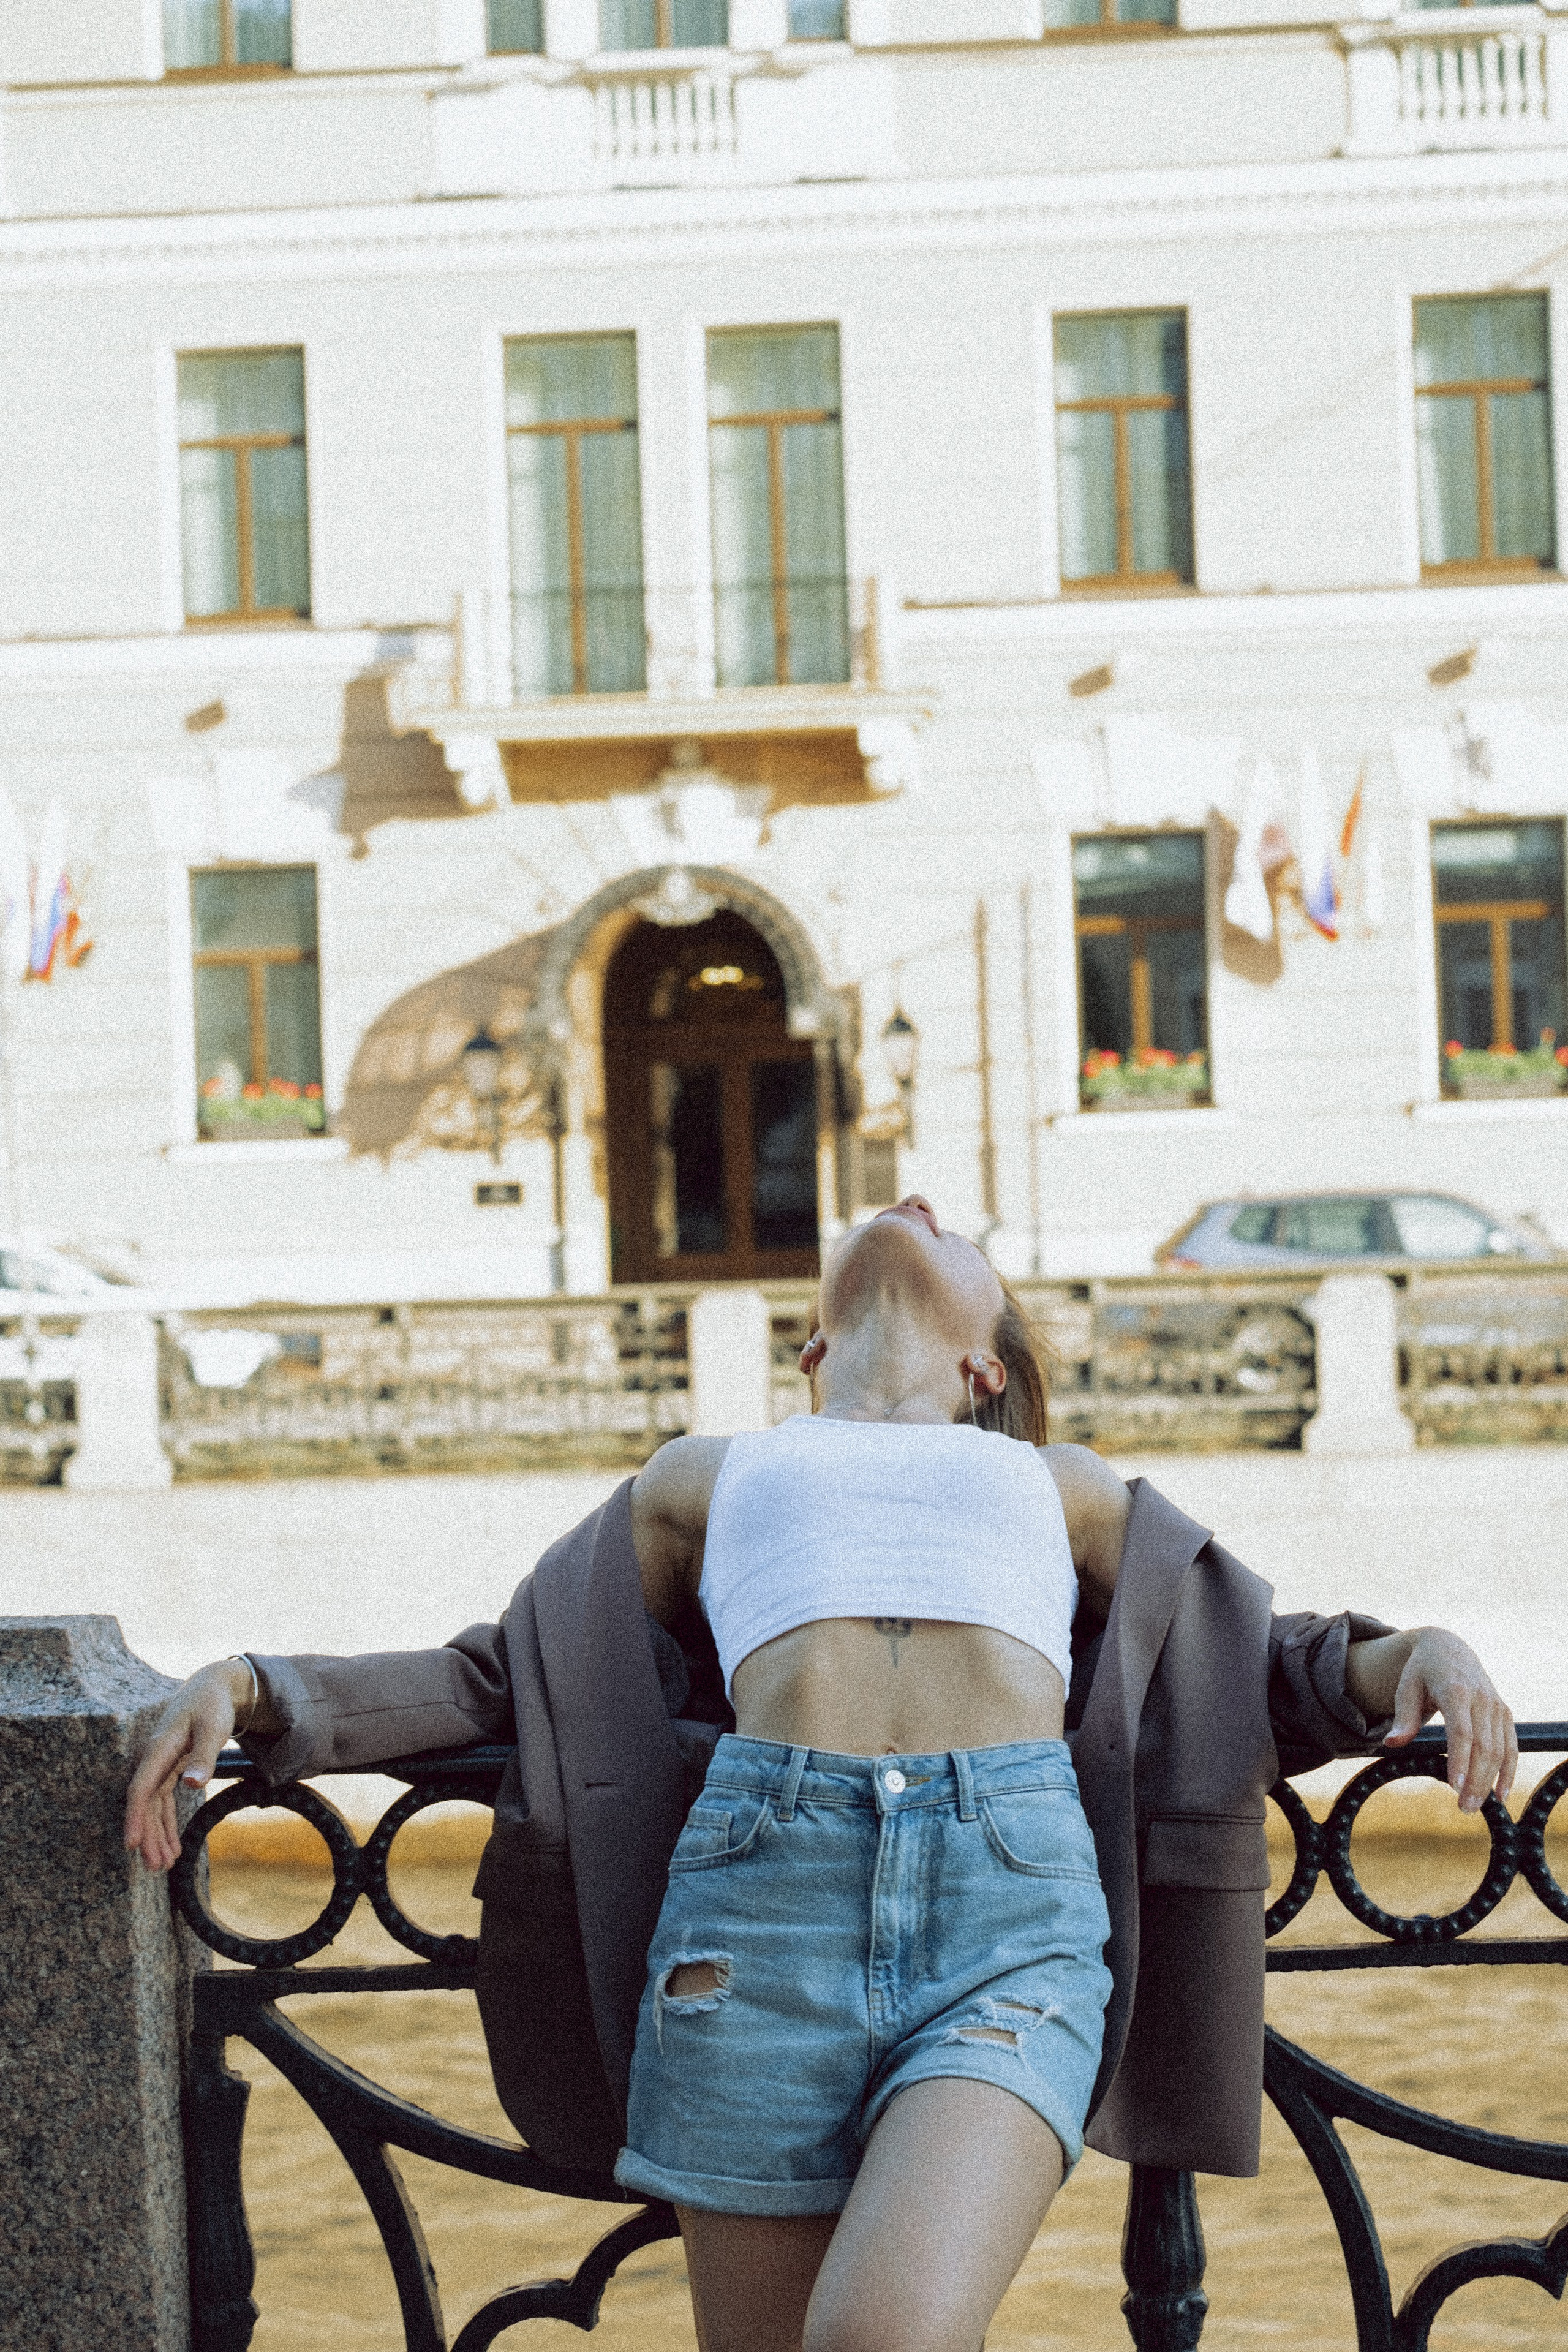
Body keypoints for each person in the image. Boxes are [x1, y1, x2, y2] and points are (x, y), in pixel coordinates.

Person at [126, 1196, 1517, 2352]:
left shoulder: (1054, 1486)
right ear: (809, 1345)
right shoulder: (706, 1477)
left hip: (1010, 1937)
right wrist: (257, 1692)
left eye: (957, 1231)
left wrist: (1420, 1656)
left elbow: (1250, 1651)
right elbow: (501, 1675)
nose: (919, 1209)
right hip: (750, 1938)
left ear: (986, 1366)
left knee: (879, 2339)